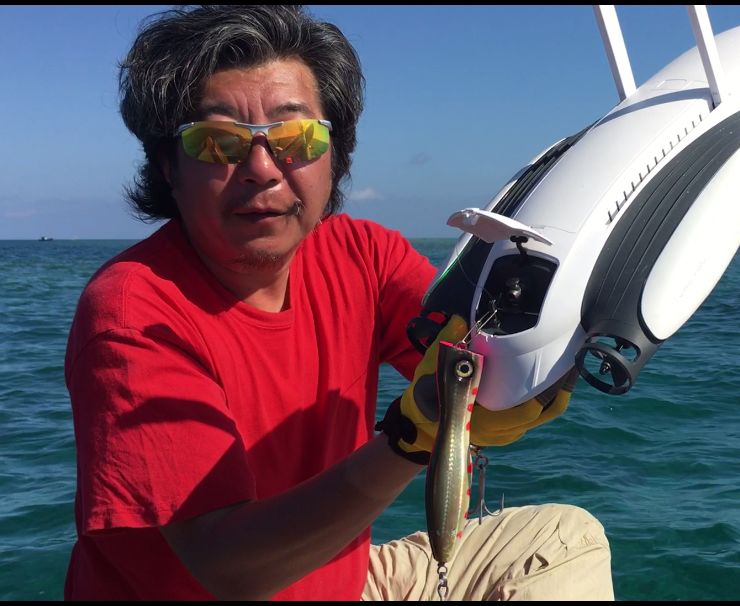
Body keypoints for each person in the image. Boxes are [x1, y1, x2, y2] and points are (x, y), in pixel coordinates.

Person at [64, 5, 613, 601]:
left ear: (336, 154)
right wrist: (406, 441)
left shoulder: (361, 254)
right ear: (168, 166)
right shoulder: (133, 314)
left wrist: (541, 349)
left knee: (566, 540)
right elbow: (229, 571)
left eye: (296, 138)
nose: (261, 169)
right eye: (218, 143)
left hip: (341, 579)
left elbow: (468, 345)